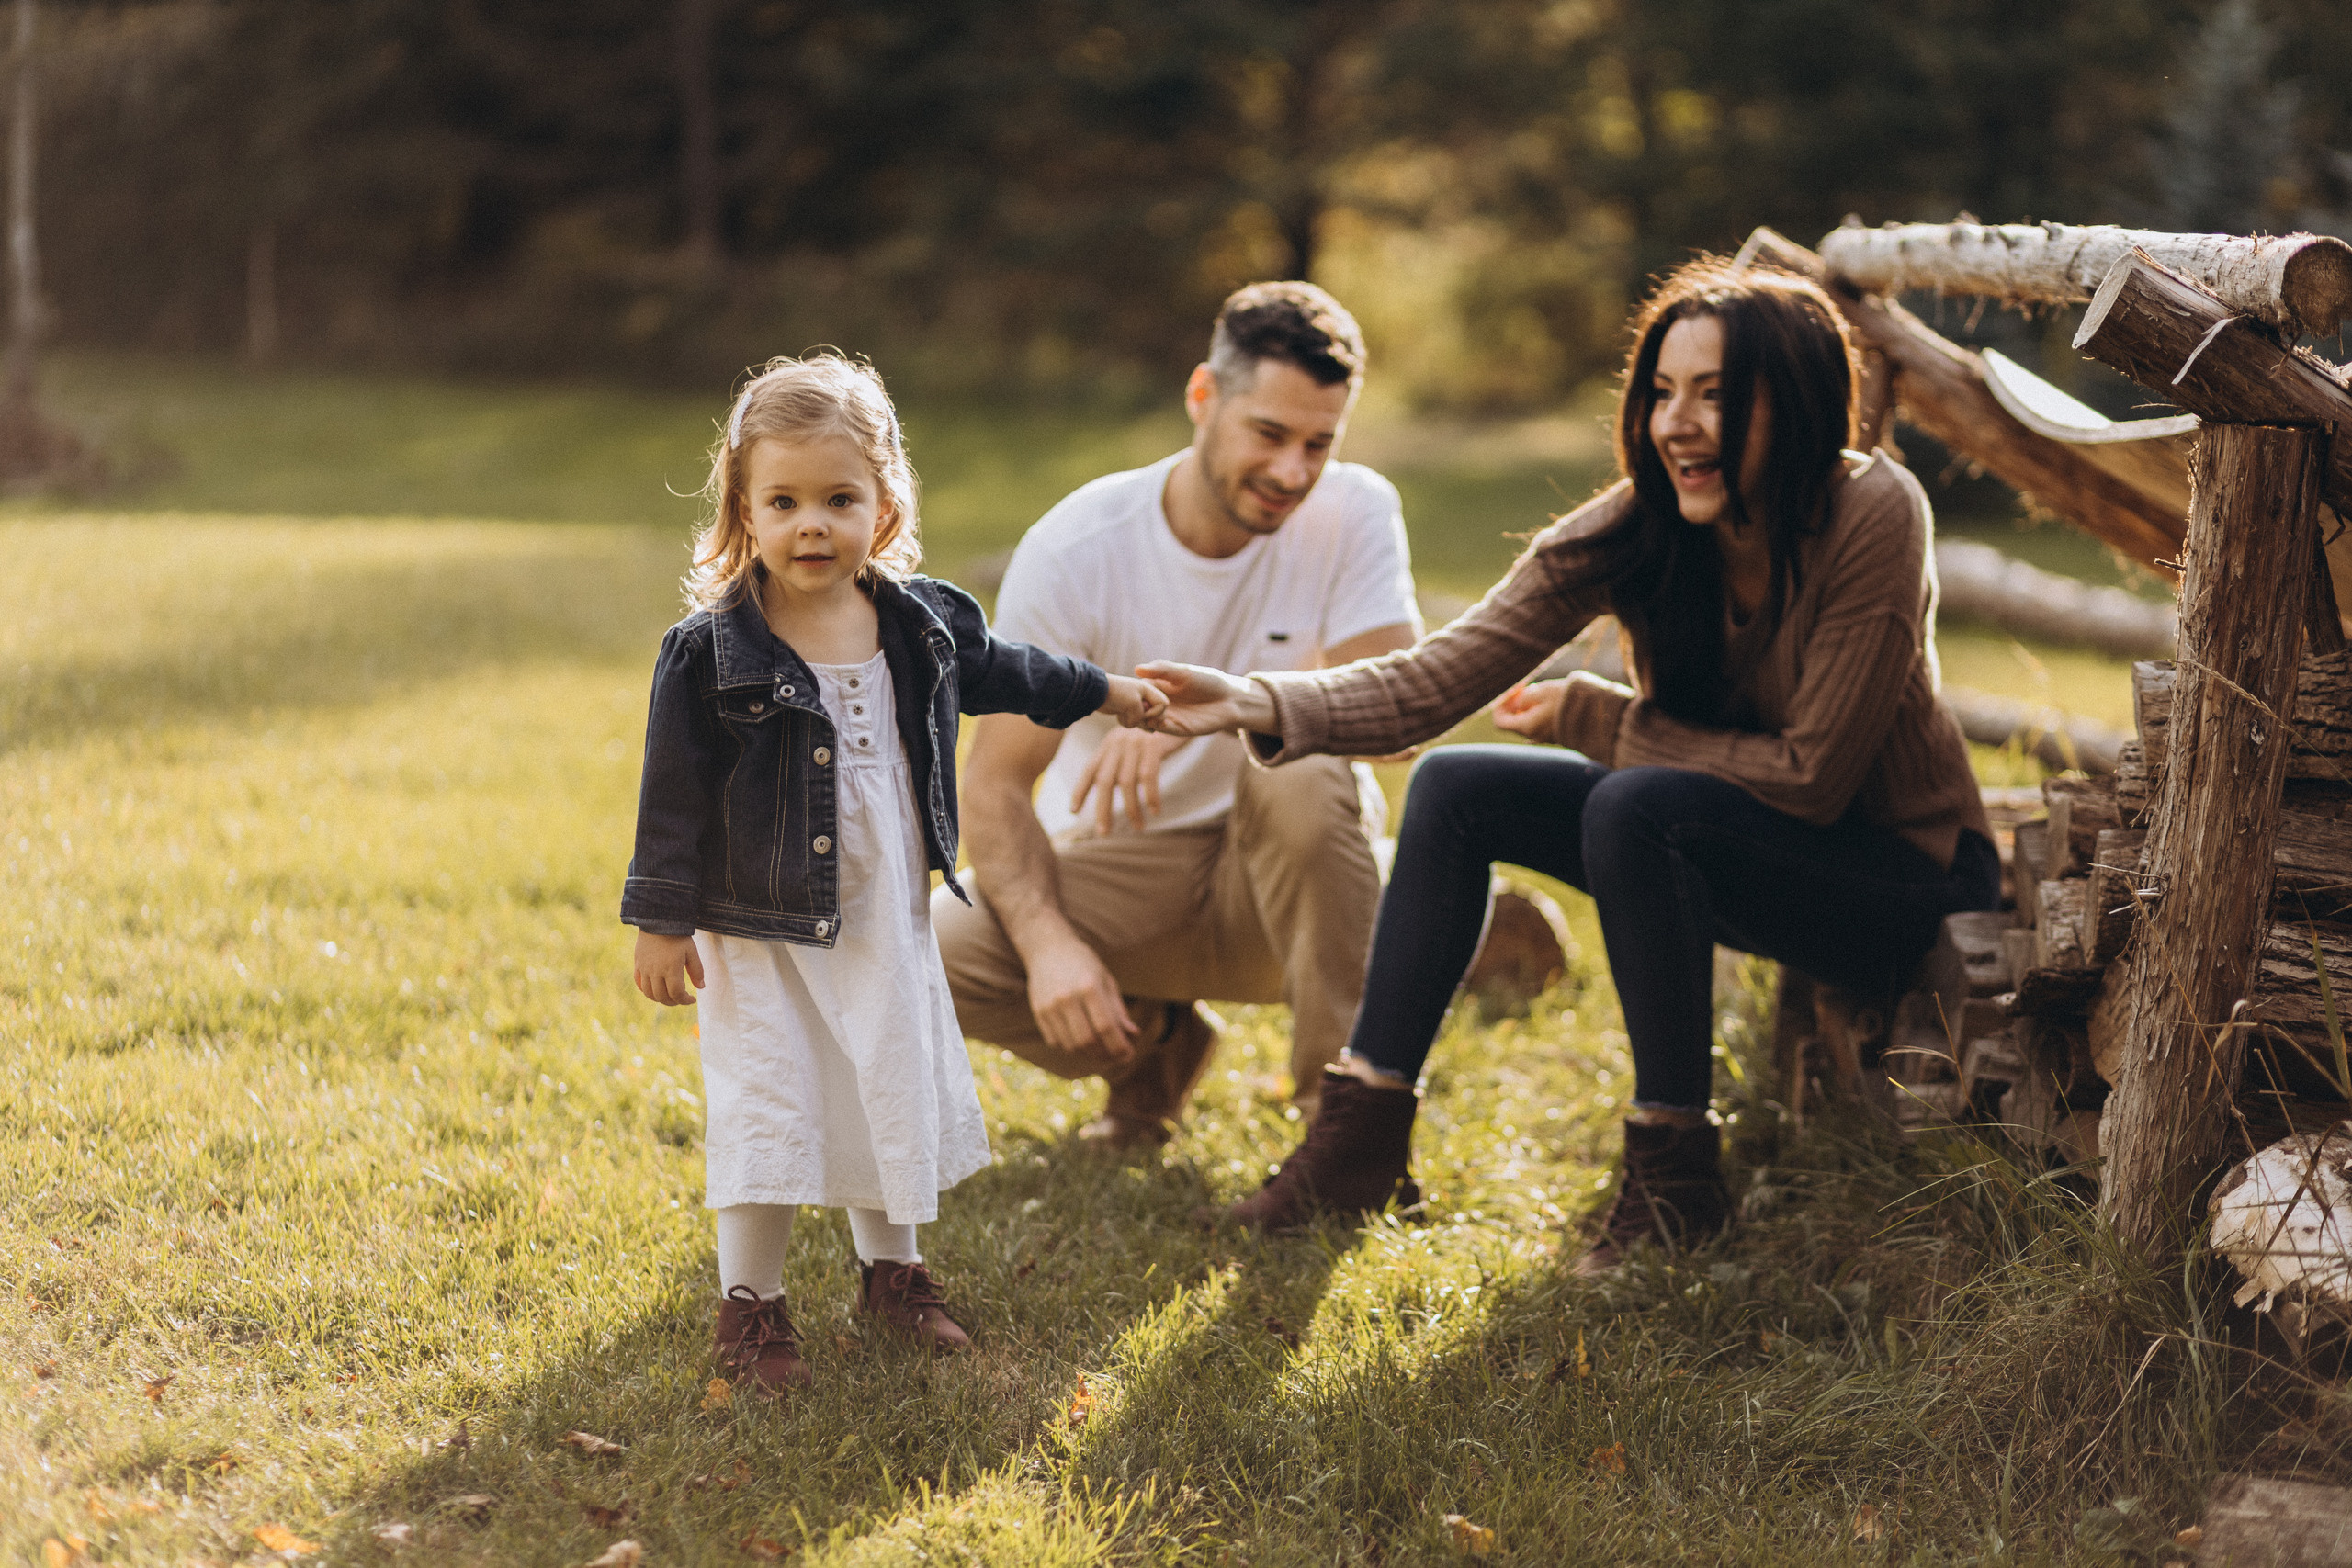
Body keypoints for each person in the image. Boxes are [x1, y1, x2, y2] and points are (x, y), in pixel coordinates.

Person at [1144, 259, 2003, 1269]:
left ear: (1799, 400)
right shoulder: (1642, 523)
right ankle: (1358, 1144)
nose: (1676, 423)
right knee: (1457, 787)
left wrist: (1600, 719)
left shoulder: (1873, 509)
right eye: (1662, 392)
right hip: (1729, 843)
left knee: (1635, 805)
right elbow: (1437, 675)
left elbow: (1811, 777)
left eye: (1715, 394)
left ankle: (1676, 1182)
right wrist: (1254, 699)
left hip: (1902, 884)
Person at [622, 355, 1167, 1392]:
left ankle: (894, 1277)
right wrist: (661, 918)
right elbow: (673, 793)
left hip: (886, 915)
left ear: (885, 506)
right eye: (783, 502)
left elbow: (1015, 671)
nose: (812, 526)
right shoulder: (708, 650)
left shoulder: (921, 621)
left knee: (889, 1084)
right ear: (743, 509)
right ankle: (751, 1306)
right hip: (763, 924)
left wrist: (1107, 691)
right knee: (772, 1099)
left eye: (839, 500)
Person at [933, 282, 1420, 1145]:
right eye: (1268, 434)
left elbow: (1398, 726)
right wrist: (1048, 946)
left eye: (1319, 444)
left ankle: (1342, 1130)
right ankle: (1157, 1047)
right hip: (1127, 871)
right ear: (1203, 396)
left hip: (1294, 881)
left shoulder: (1356, 510)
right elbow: (995, 785)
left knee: (1304, 765)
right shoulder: (1078, 548)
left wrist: (1228, 708)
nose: (1293, 472)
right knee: (929, 953)